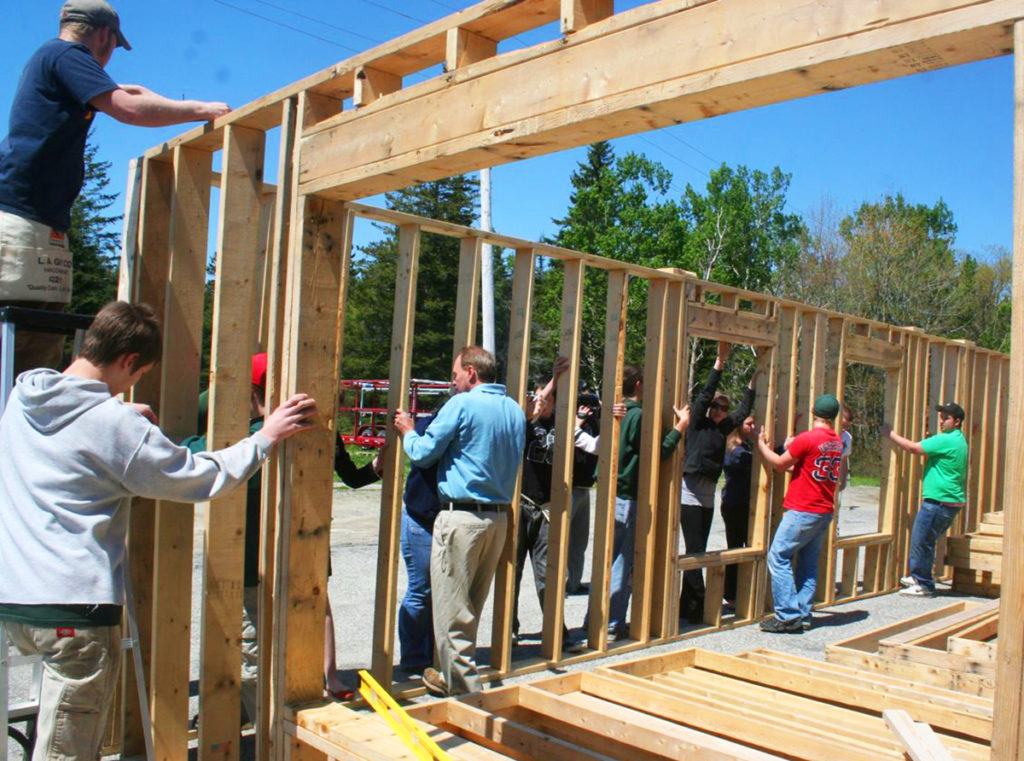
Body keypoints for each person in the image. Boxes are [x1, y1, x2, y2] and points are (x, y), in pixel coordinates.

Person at [0, 301, 316, 761]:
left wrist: (122, 421)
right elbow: (200, 478)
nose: (133, 386)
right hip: (74, 609)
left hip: (15, 599)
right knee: (66, 747)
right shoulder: (113, 424)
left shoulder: (24, 396)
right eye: (137, 374)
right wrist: (264, 437)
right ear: (129, 361)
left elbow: (82, 443)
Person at [0, 0, 230, 372]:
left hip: (37, 222)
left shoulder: (54, 61)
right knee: (19, 347)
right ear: (105, 36)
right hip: (23, 221)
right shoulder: (67, 55)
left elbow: (132, 92)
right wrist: (201, 111)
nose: (110, 58)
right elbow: (128, 108)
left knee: (36, 343)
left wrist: (189, 104)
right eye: (113, 48)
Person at [183, 354, 379, 713]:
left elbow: (351, 477)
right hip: (255, 559)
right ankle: (256, 718)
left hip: (299, 551)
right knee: (255, 645)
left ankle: (310, 690)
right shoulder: (239, 436)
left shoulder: (306, 433)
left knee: (279, 634)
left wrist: (379, 466)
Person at [393, 346, 526, 696]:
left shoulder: (462, 404)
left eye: (455, 375)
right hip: (497, 520)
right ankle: (446, 677)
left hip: (461, 517)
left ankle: (469, 700)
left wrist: (408, 430)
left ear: (471, 372)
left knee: (452, 616)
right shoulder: (513, 409)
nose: (452, 382)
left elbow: (422, 454)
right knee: (470, 609)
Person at [607, 365, 689, 641]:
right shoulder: (638, 416)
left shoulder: (618, 413)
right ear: (639, 384)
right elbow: (659, 453)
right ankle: (611, 624)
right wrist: (680, 427)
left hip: (610, 495)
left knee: (606, 559)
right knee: (622, 562)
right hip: (628, 498)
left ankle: (597, 620)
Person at [679, 342, 756, 623]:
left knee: (695, 551)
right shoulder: (698, 422)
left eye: (723, 407)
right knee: (695, 552)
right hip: (689, 494)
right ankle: (699, 606)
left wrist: (752, 385)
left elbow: (742, 411)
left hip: (708, 496)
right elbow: (704, 394)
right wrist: (719, 363)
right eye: (717, 406)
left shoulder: (722, 428)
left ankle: (685, 606)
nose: (721, 410)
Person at [756, 394, 844, 633]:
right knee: (807, 562)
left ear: (814, 410)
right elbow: (808, 466)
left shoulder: (808, 438)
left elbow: (780, 463)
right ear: (834, 416)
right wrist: (791, 449)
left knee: (778, 556)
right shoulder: (837, 442)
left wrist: (762, 445)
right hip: (823, 510)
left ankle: (787, 615)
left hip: (803, 509)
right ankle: (803, 613)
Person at [883, 402, 968, 597]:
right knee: (925, 539)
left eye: (946, 418)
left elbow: (913, 448)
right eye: (941, 417)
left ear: (957, 422)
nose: (941, 421)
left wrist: (890, 434)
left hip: (940, 501)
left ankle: (924, 584)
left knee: (922, 540)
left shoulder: (946, 440)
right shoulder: (958, 439)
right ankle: (918, 576)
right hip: (948, 501)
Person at [396, 411, 441, 680]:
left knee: (440, 592)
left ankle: (431, 654)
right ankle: (414, 658)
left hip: (442, 517)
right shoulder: (428, 425)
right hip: (421, 517)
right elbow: (421, 454)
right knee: (420, 590)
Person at [720, 414, 756, 605]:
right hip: (734, 505)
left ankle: (743, 592)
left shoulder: (747, 447)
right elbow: (752, 461)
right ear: (738, 426)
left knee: (748, 548)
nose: (753, 427)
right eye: (749, 423)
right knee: (735, 548)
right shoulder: (734, 450)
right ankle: (731, 594)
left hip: (745, 505)